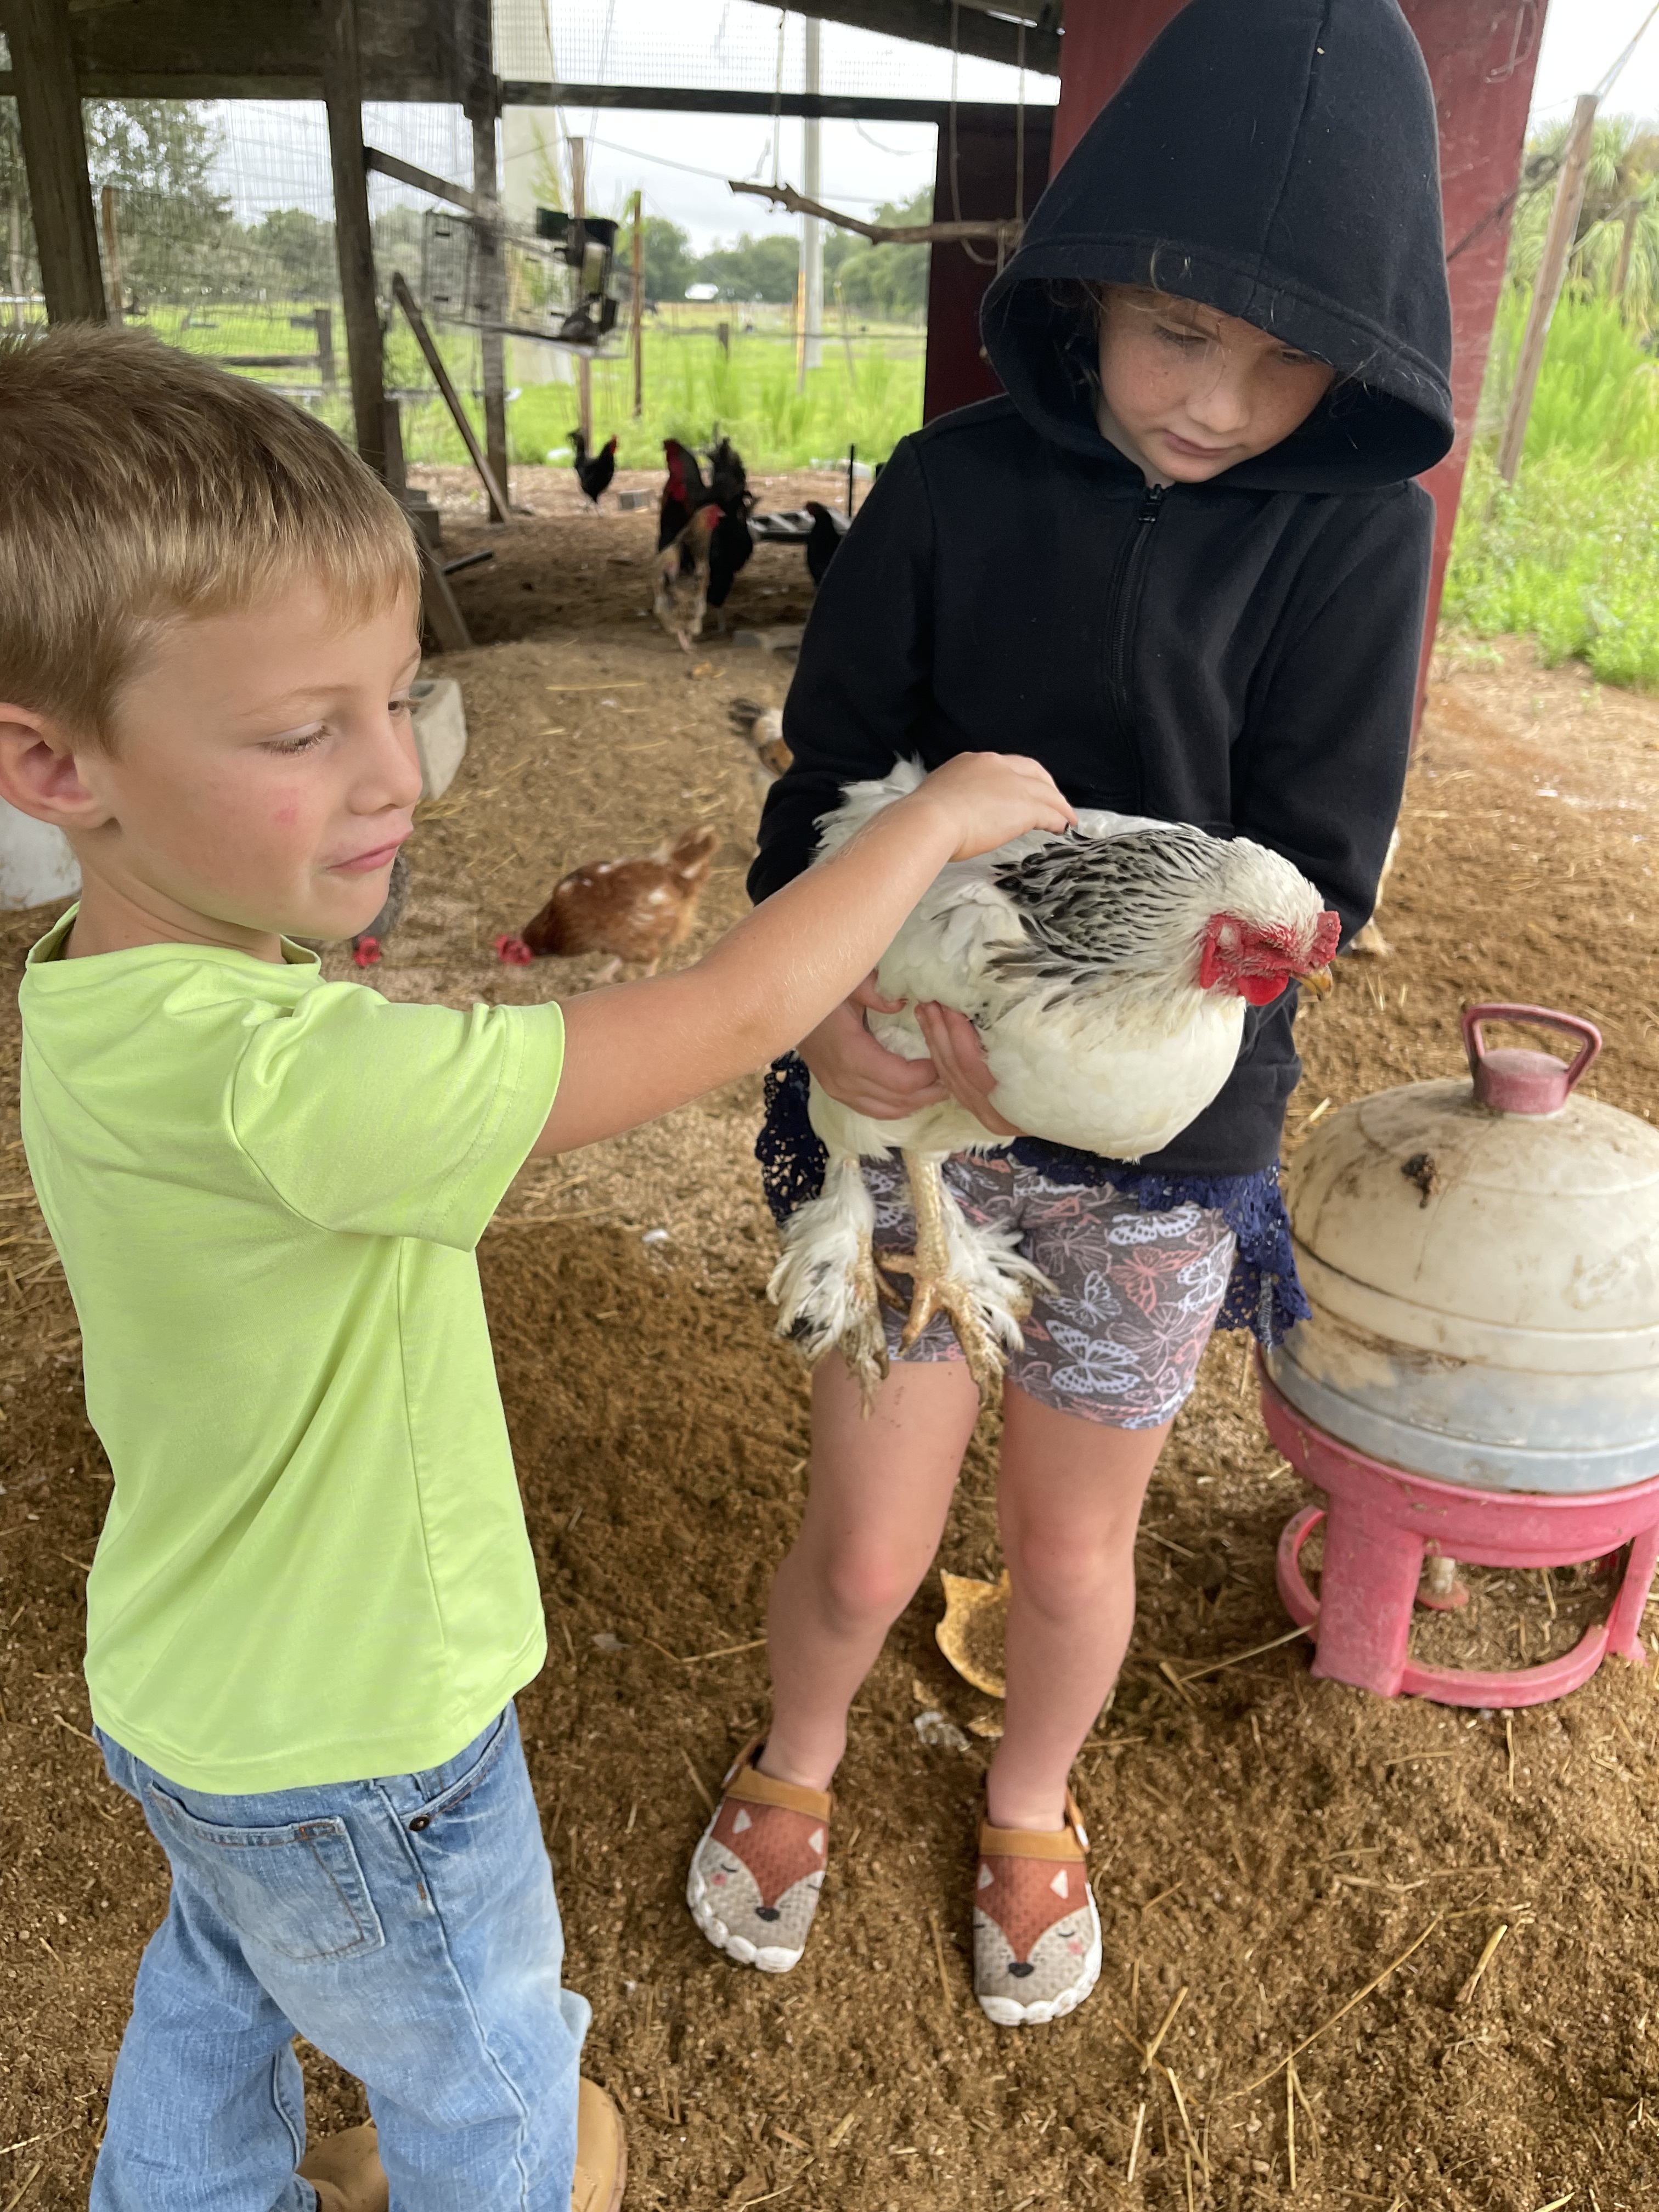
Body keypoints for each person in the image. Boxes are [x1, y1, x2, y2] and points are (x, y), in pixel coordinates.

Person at [0, 323, 1073, 2209]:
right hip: (368, 1727)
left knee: (218, 1990)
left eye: (397, 696)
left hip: (191, 1690)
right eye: (298, 730)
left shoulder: (111, 994)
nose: (394, 772)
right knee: (500, 2068)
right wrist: (934, 819)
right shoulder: (293, 1080)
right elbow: (734, 1002)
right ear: (48, 761)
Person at [687, 0, 1453, 2027]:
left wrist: (1202, 1050)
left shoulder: (1358, 541)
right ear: (1091, 286)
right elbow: (821, 794)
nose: (1218, 400)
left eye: (1288, 364)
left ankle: (1033, 1791)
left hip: (1160, 1155)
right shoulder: (943, 492)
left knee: (1069, 1558)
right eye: (1182, 333)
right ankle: (805, 1748)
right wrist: (831, 1019)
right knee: (864, 1550)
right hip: (909, 1111)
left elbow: (1314, 878)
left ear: (1354, 374)